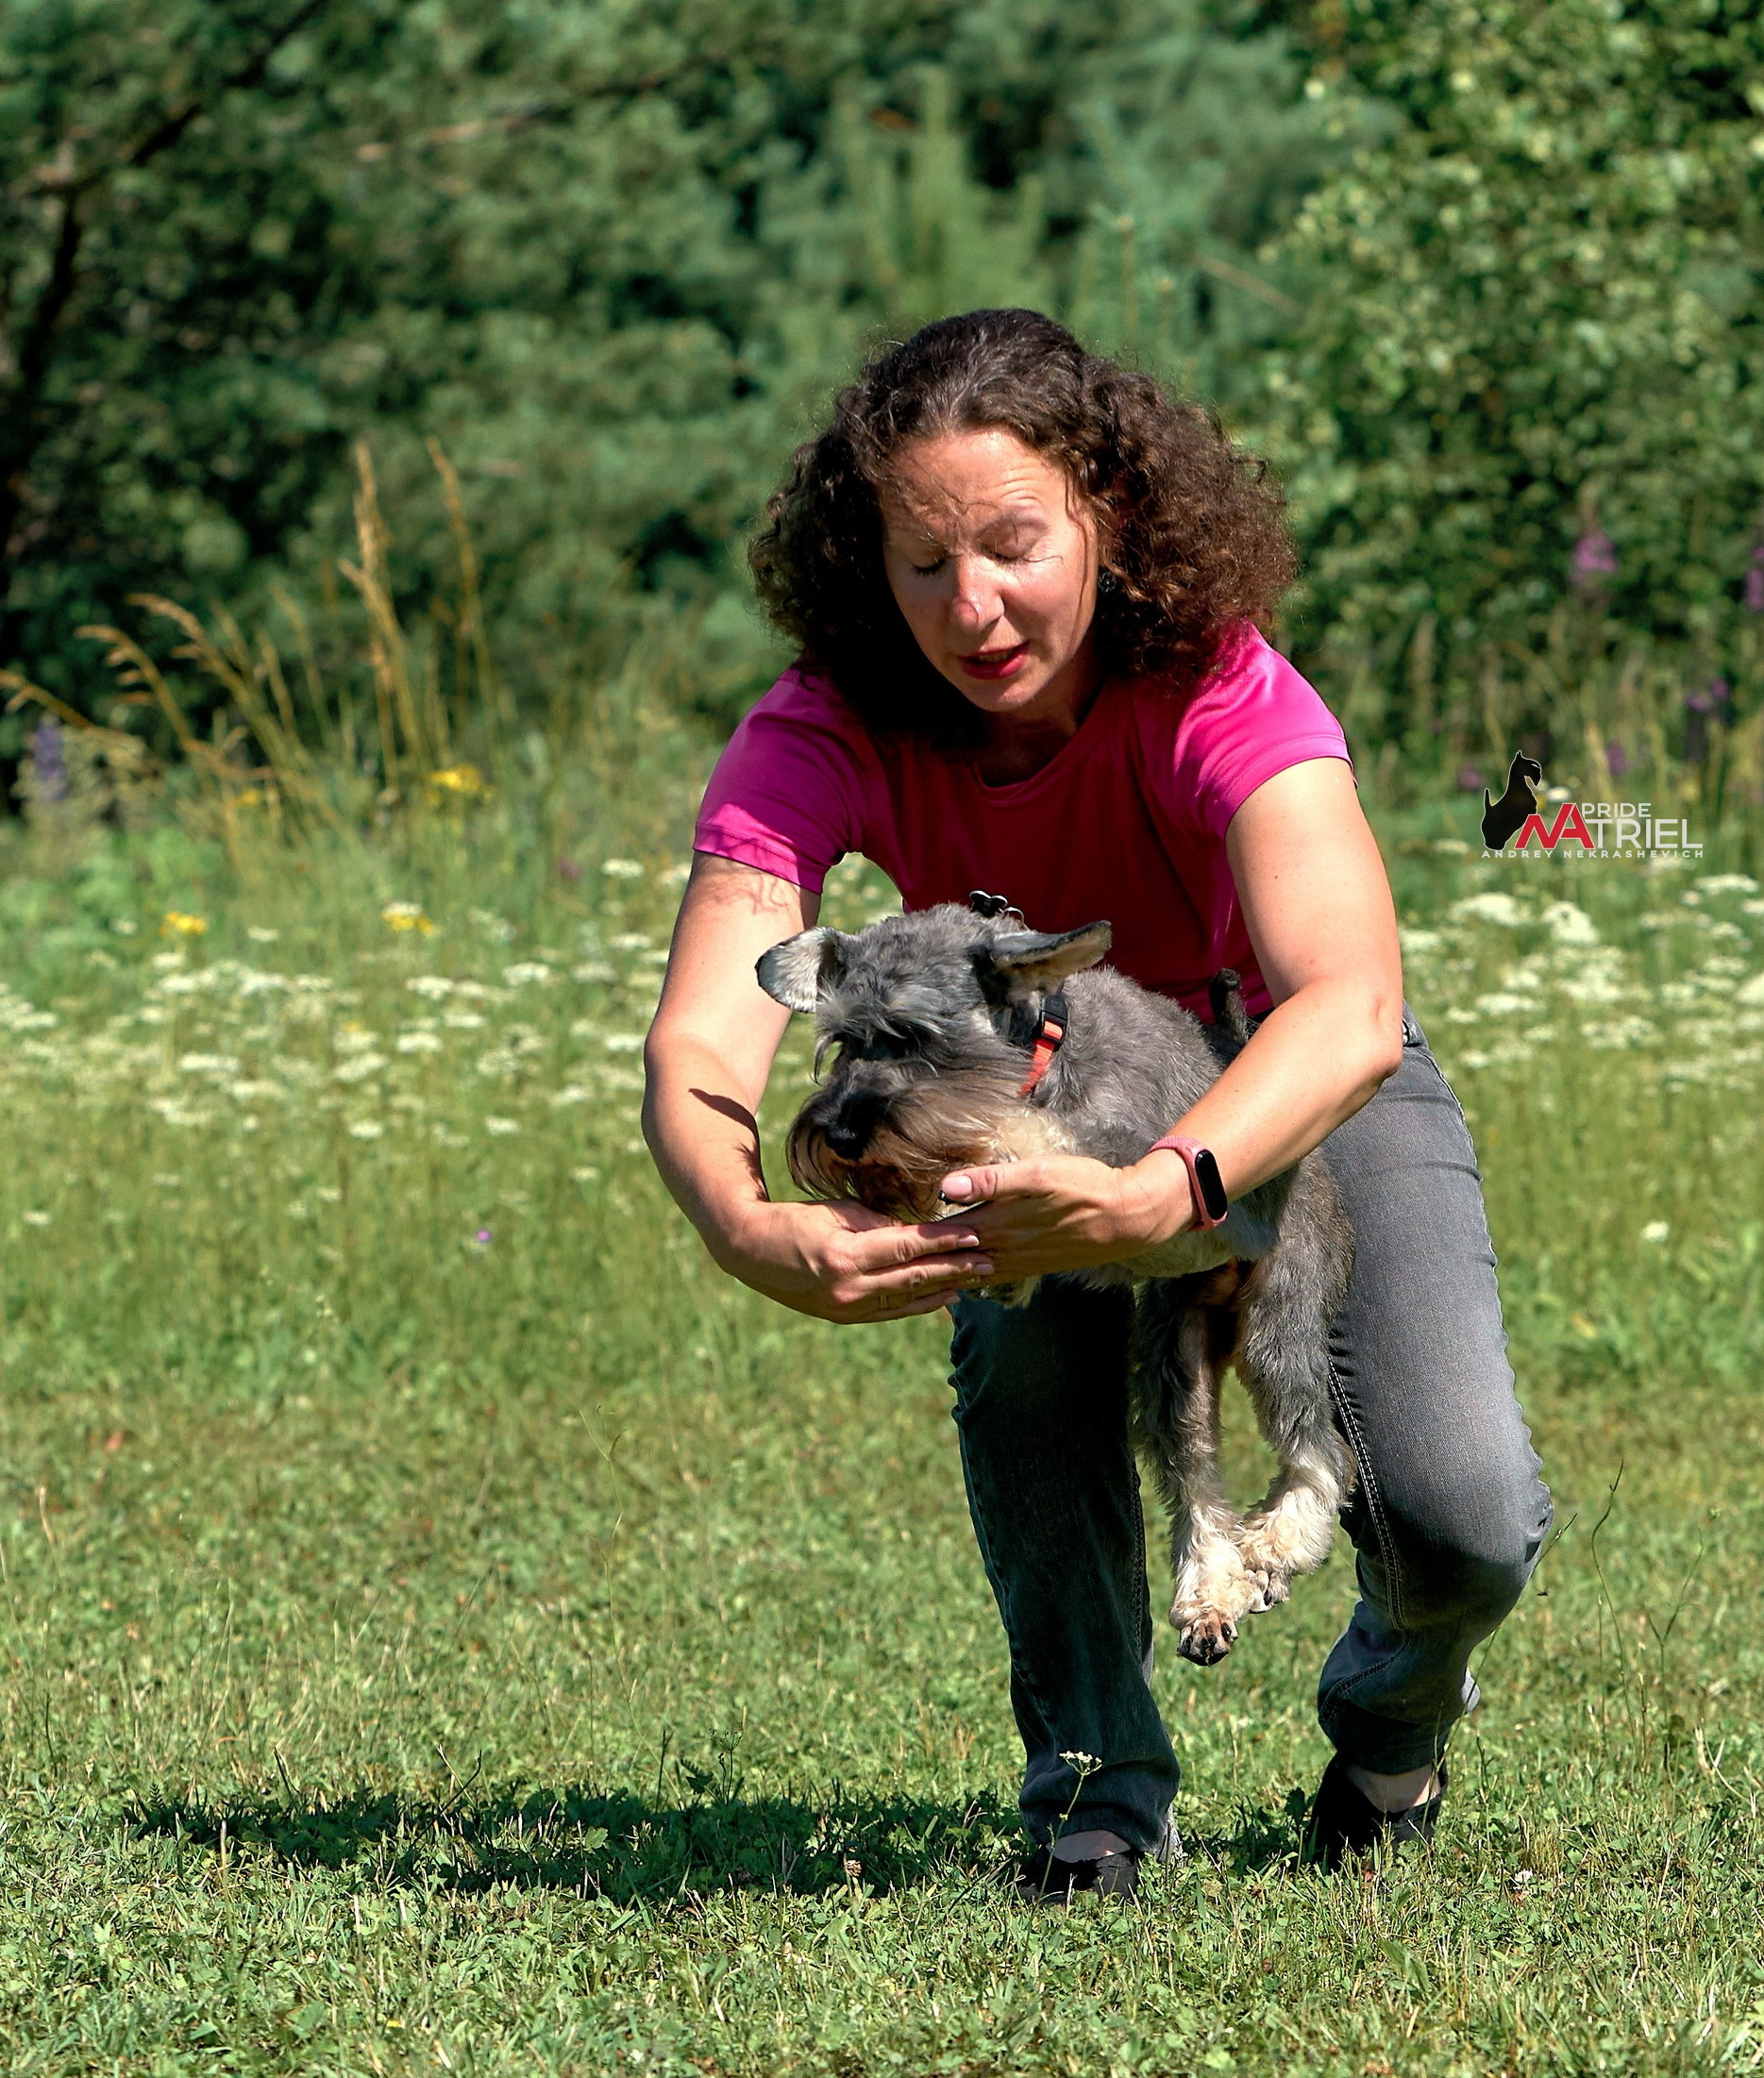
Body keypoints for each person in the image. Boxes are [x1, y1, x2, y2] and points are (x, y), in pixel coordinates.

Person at [643, 310, 1552, 1900]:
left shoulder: (1219, 683)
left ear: (1104, 516)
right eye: (924, 564)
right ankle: (1096, 1783)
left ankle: (1393, 1718)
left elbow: (1351, 998)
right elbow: (704, 1036)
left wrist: (1168, 1191)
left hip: (1289, 1074)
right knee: (1032, 1362)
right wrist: (744, 1221)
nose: (971, 606)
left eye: (1011, 543)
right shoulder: (821, 725)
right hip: (1019, 1095)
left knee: (1466, 1513)